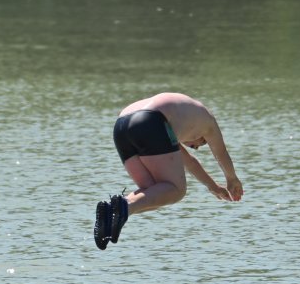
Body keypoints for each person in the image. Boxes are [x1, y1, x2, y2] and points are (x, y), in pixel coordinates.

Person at [94, 92, 244, 250]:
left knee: (156, 194)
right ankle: (124, 205)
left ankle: (110, 211)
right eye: (198, 145)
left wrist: (214, 187)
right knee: (177, 190)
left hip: (121, 125)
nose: (194, 147)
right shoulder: (208, 122)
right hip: (150, 120)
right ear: (201, 137)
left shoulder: (181, 119)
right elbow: (220, 153)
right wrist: (232, 179)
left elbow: (190, 163)